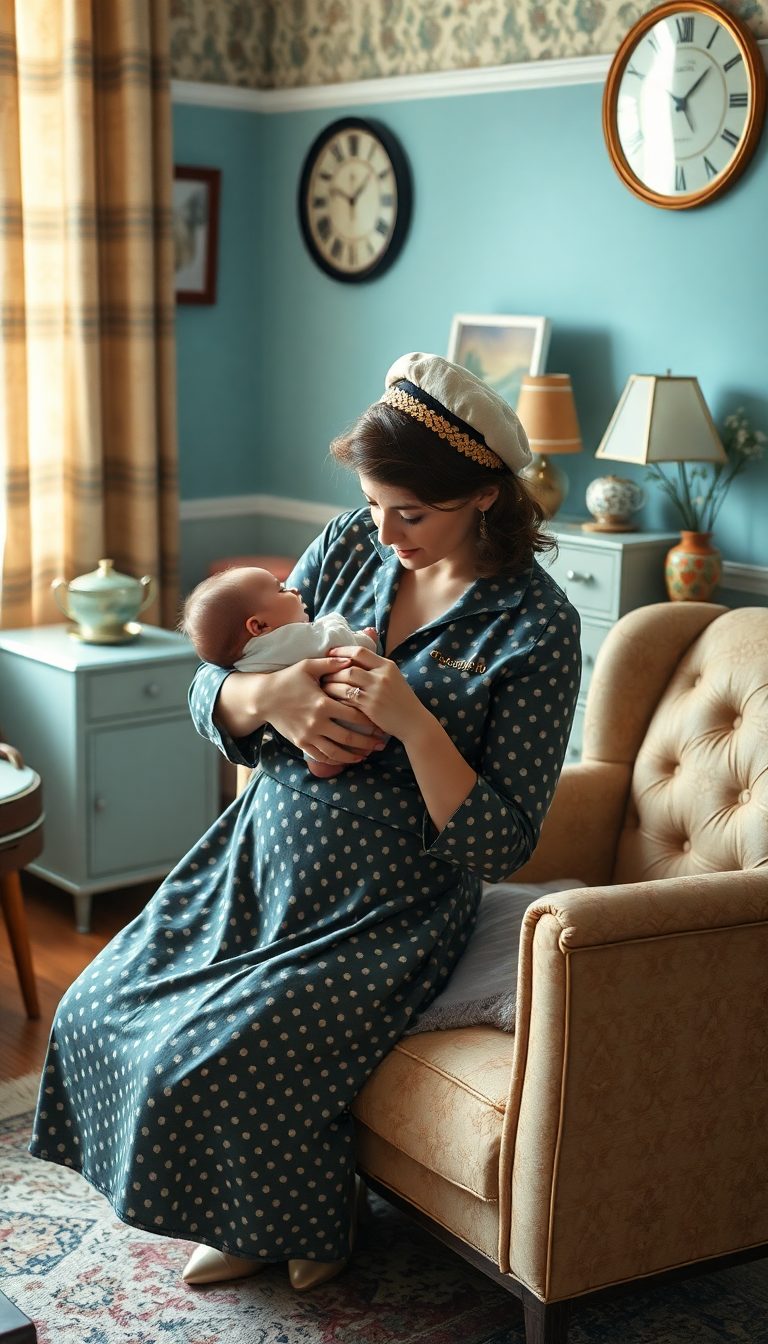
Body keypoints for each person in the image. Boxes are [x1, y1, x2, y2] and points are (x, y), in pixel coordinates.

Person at [29, 352, 581, 1294]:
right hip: (251, 863)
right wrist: (270, 696)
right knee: (95, 1008)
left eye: (413, 512)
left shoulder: (534, 626)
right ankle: (249, 1214)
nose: (385, 531)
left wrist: (411, 722)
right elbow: (212, 687)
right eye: (374, 503)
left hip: (383, 907)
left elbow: (501, 839)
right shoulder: (351, 545)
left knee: (206, 1058)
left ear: (485, 494)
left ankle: (308, 1223)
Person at [179, 565, 379, 777]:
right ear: (259, 626)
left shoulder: (242, 661)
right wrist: (364, 638)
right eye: (282, 590)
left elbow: (213, 677)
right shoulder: (285, 640)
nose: (295, 590)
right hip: (348, 721)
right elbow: (335, 641)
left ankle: (318, 761)